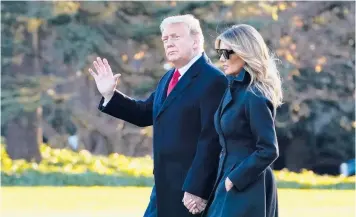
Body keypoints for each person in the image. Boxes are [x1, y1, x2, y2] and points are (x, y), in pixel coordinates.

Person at [88, 14, 227, 217]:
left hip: (191, 191)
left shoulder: (213, 79)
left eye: (175, 37)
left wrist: (197, 188)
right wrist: (110, 94)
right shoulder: (170, 77)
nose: (168, 43)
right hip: (163, 188)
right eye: (165, 39)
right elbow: (145, 113)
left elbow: (211, 139)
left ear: (196, 41)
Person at [200, 24, 282, 217]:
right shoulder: (233, 89)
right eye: (220, 53)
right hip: (228, 180)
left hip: (247, 185)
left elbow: (269, 149)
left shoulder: (254, 95)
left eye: (227, 53)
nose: (221, 59)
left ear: (244, 53)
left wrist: (235, 178)